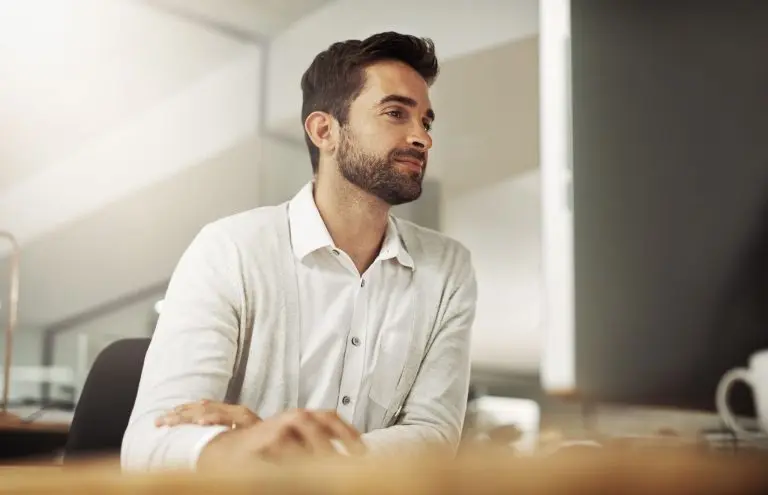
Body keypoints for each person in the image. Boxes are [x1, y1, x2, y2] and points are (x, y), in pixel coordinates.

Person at [121, 31, 478, 472]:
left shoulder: (448, 268)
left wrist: (283, 450)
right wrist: (256, 449)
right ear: (325, 130)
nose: (422, 137)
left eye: (425, 121)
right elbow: (150, 443)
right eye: (395, 113)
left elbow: (433, 437)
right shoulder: (230, 249)